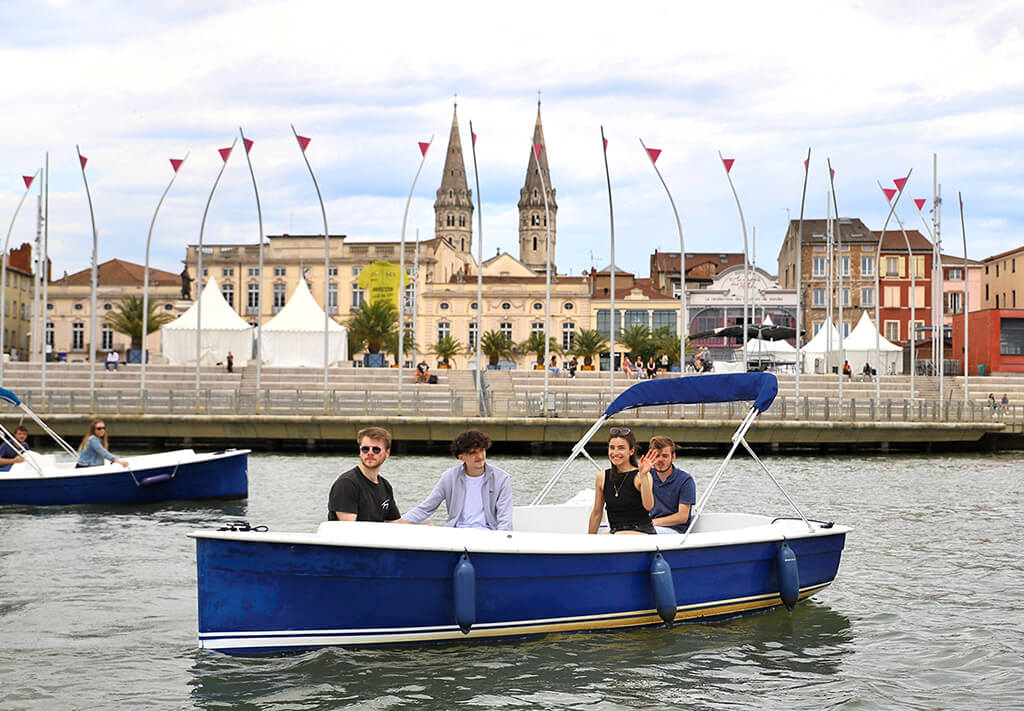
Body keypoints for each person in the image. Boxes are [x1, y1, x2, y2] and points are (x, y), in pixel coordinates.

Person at [399, 430, 513, 530]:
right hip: (455, 533)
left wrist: (502, 541)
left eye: (482, 450)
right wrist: (399, 522)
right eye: (473, 453)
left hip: (488, 533)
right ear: (461, 457)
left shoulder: (502, 478)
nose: (480, 456)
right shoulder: (449, 477)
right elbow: (427, 507)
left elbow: (505, 518)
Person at [588, 427, 656, 534]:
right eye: (612, 448)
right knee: (604, 536)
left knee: (607, 536)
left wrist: (643, 475)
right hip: (615, 533)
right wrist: (588, 542)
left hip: (641, 532)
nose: (615, 452)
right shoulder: (602, 477)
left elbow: (649, 506)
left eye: (621, 448)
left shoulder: (641, 476)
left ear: (631, 451)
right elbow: (597, 513)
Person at [327, 426, 402, 522]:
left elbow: (395, 523)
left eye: (376, 450)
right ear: (360, 451)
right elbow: (349, 528)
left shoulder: (385, 486)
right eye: (365, 449)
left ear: (387, 453)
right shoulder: (346, 484)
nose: (370, 453)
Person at [645, 436, 696, 533]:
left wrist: (652, 522)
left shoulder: (685, 480)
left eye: (665, 456)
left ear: (673, 457)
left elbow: (683, 516)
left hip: (674, 531)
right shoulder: (645, 476)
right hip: (649, 527)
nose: (660, 460)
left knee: (644, 533)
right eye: (657, 455)